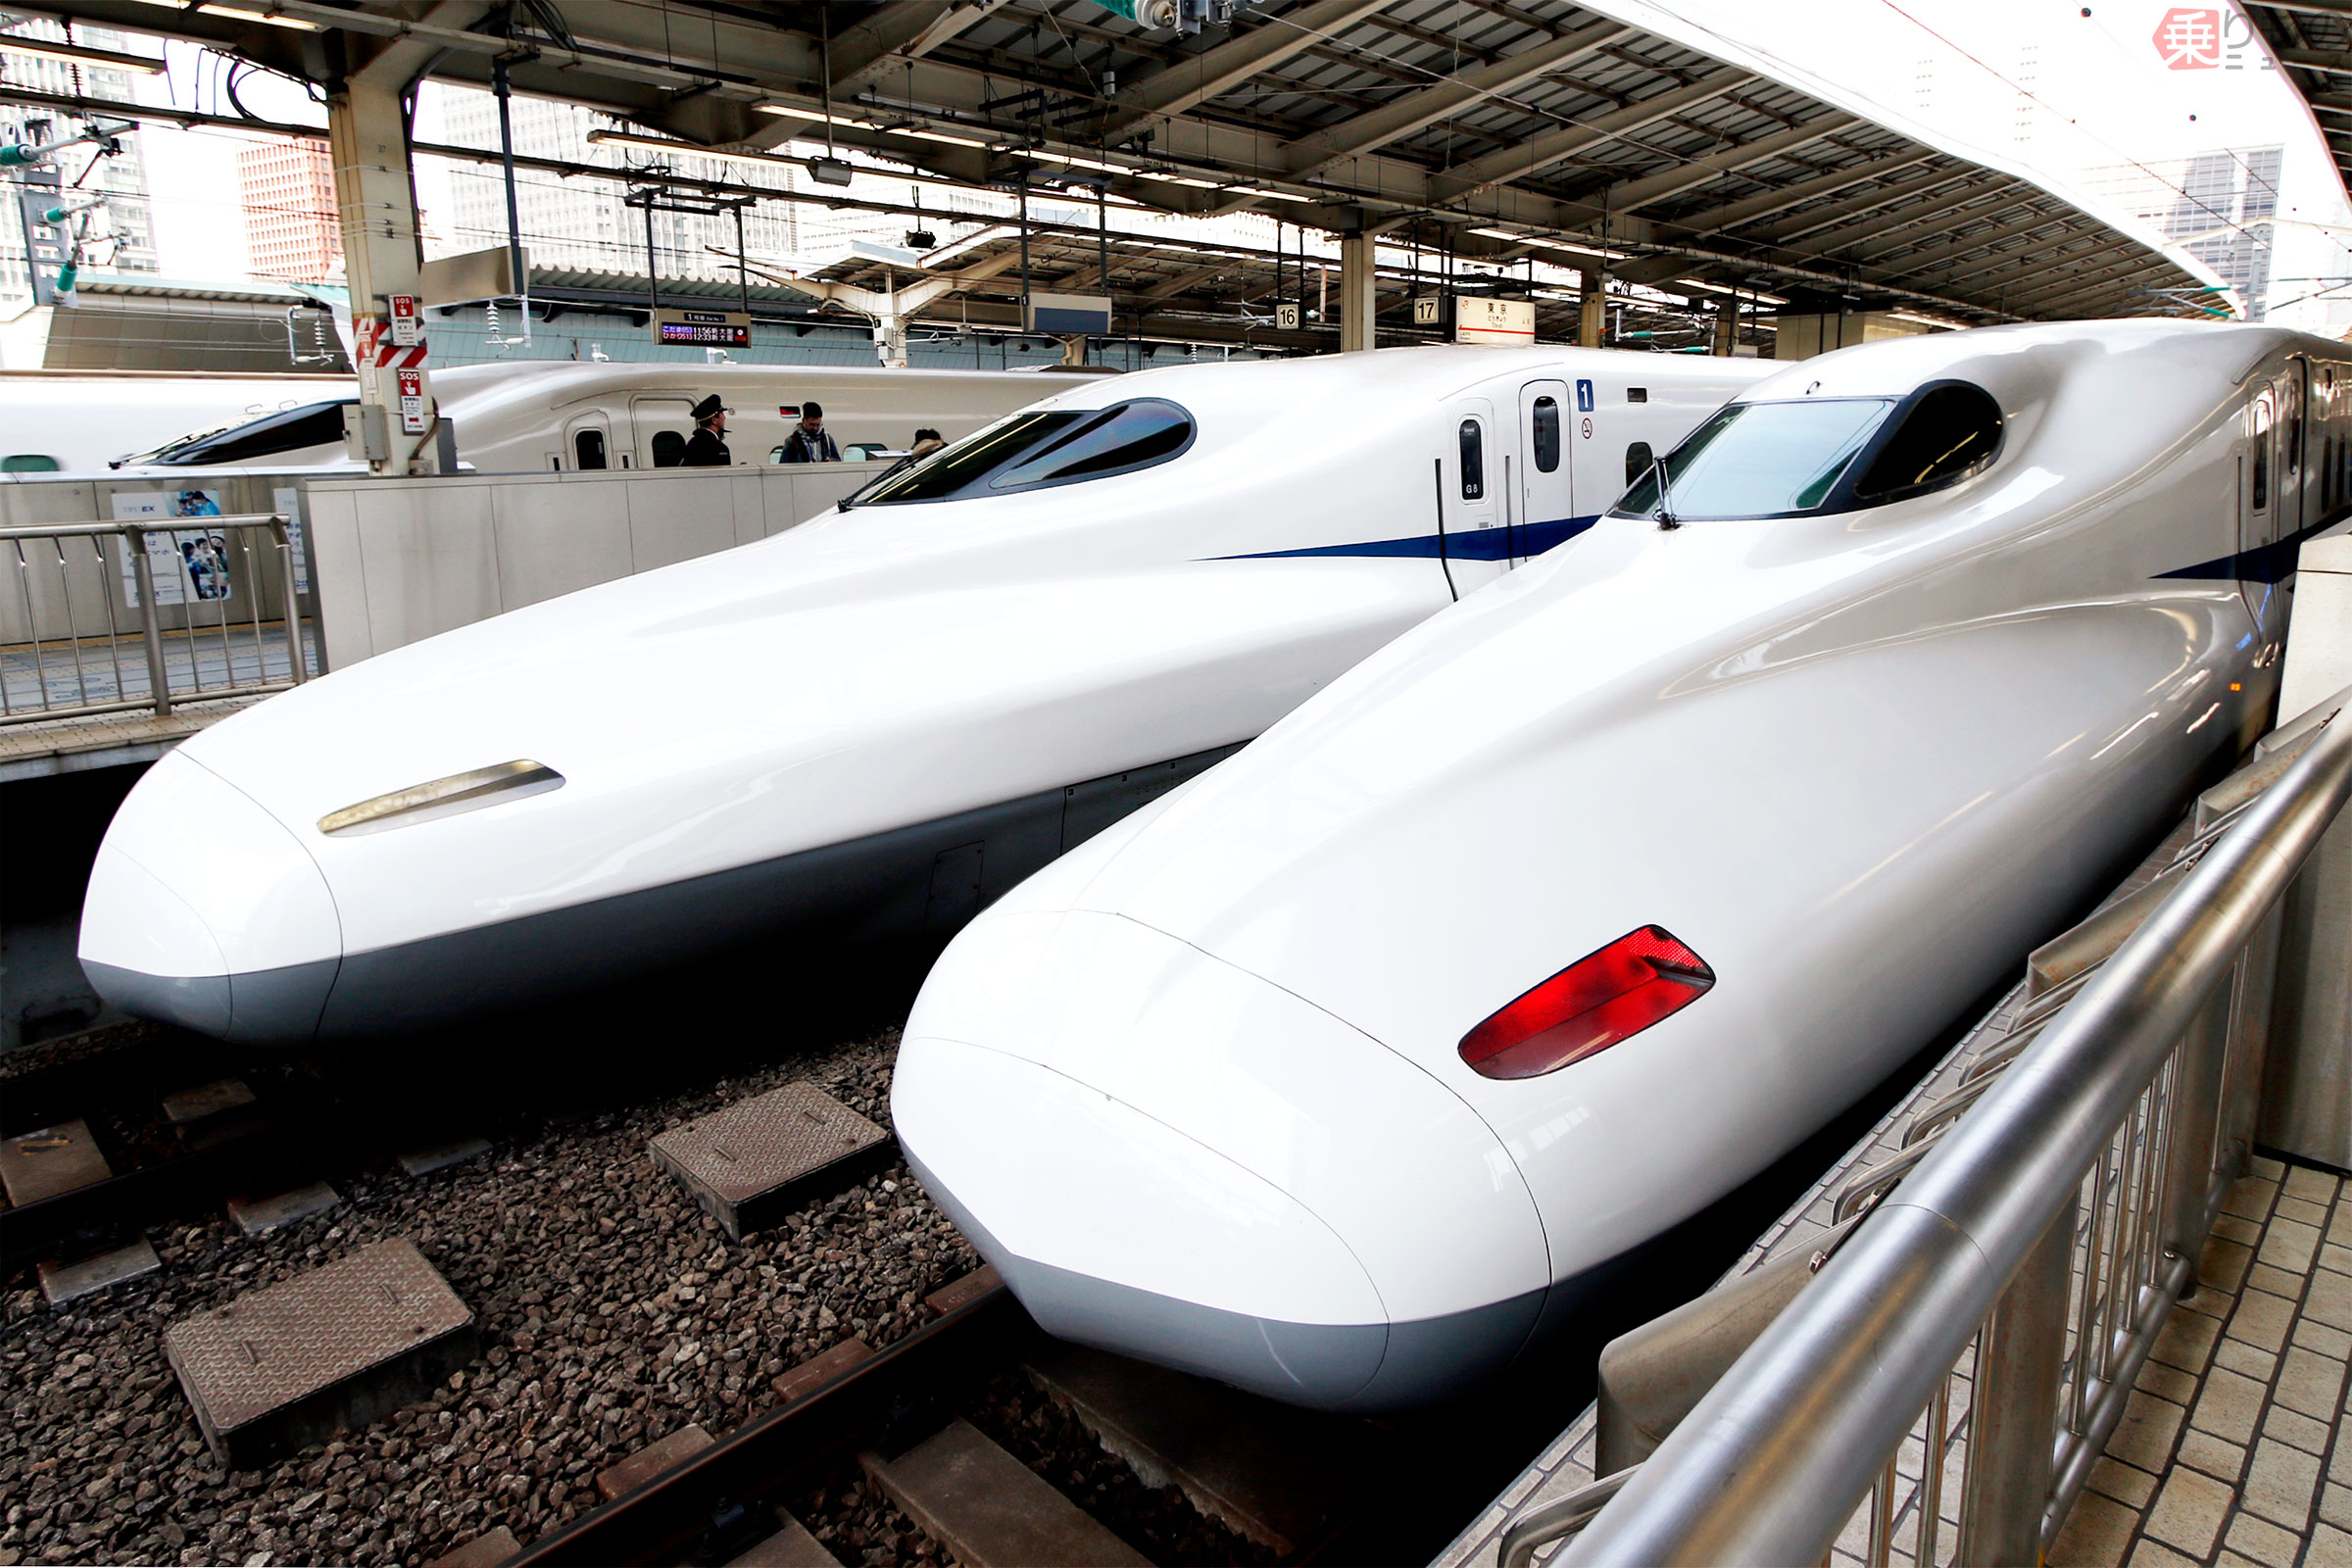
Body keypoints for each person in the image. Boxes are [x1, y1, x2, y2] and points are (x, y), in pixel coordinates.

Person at [777, 400, 842, 464]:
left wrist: (830, 461)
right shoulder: (792, 441)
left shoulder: (827, 439)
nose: (815, 428)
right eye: (812, 425)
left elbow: (838, 461)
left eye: (818, 425)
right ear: (803, 421)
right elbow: (784, 466)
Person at [682, 395, 731, 466]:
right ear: (714, 420)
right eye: (722, 414)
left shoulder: (692, 443)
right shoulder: (719, 448)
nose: (724, 417)